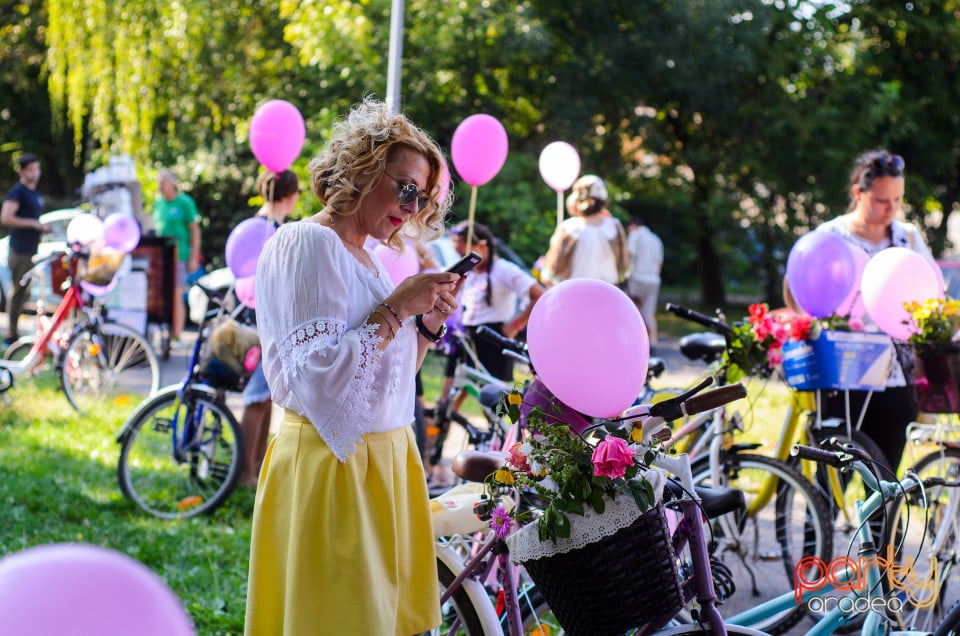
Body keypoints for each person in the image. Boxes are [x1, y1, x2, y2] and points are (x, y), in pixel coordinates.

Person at [244, 97, 462, 635]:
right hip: (335, 468)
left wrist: (425, 323)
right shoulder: (307, 243)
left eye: (424, 197)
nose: (412, 207)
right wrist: (396, 308)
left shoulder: (367, 257)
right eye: (406, 188)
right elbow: (319, 379)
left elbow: (386, 382)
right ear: (363, 170)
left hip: (385, 462)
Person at [784, 149, 928, 474]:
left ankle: (877, 529)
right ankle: (820, 527)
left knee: (885, 481)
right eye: (881, 200)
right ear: (857, 193)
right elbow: (796, 289)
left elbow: (930, 296)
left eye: (898, 199)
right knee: (831, 479)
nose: (891, 208)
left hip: (896, 378)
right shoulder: (831, 237)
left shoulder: (909, 238)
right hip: (841, 375)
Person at [238, 169, 300, 488]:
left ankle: (257, 466)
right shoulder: (266, 231)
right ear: (289, 196)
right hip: (260, 322)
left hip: (263, 320)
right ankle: (245, 473)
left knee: (264, 398)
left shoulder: (259, 227)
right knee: (255, 396)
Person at [541, 174, 628, 286]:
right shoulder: (614, 225)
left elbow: (552, 268)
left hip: (576, 291)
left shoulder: (569, 227)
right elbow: (623, 263)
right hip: (608, 291)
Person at [1, 153, 50, 346]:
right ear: (22, 172)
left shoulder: (35, 193)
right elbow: (6, 218)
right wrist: (33, 224)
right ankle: (10, 335)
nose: (35, 173)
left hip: (31, 250)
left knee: (26, 292)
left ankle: (14, 331)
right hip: (19, 250)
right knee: (18, 292)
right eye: (31, 170)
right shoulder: (17, 192)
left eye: (37, 169)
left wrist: (42, 228)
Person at [152, 169, 201, 345]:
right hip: (160, 257)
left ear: (171, 183)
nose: (159, 186)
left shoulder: (184, 203)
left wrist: (194, 256)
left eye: (162, 182)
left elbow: (194, 230)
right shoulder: (157, 204)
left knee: (177, 293)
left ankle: (177, 334)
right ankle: (162, 332)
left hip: (179, 256)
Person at [626, 214, 664, 344]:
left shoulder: (635, 235)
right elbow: (659, 263)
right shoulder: (656, 239)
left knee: (631, 309)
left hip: (637, 277)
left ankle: (633, 341)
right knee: (649, 312)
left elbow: (629, 255)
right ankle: (653, 342)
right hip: (654, 279)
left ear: (632, 226)